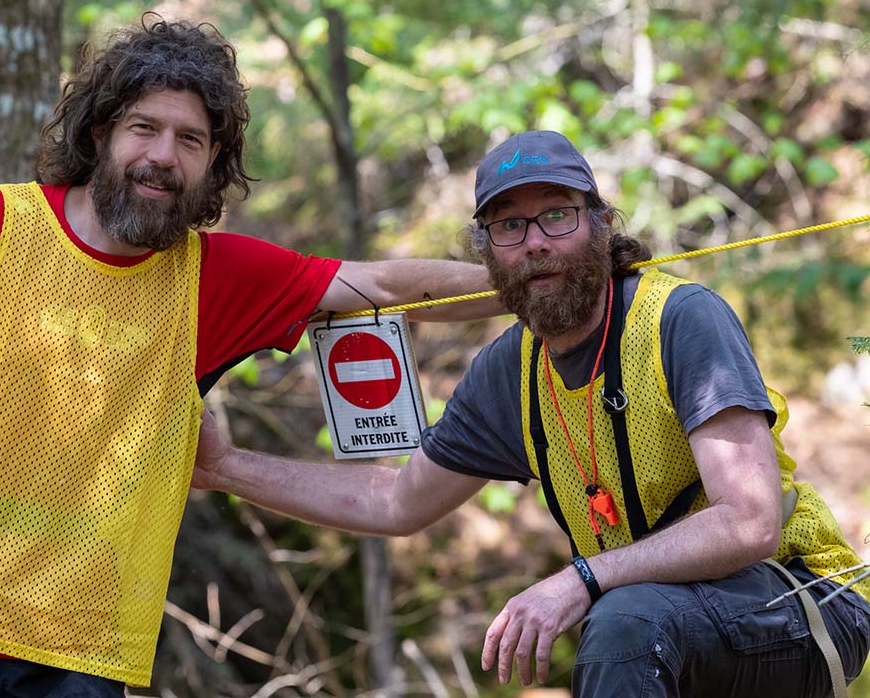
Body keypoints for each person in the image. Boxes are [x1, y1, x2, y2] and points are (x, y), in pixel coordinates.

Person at [0, 15, 501, 697]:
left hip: (79, 648)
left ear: (214, 160)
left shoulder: (214, 278)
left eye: (190, 140)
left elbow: (379, 286)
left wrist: (539, 284)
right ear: (99, 134)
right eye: (143, 128)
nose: (162, 156)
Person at [193, 130, 870, 697]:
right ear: (488, 253)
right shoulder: (509, 373)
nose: (536, 241)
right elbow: (394, 502)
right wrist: (224, 467)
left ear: (602, 226)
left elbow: (749, 520)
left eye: (558, 215)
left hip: (799, 602)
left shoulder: (679, 320)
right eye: (510, 225)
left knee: (623, 621)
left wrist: (580, 579)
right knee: (624, 622)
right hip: (670, 622)